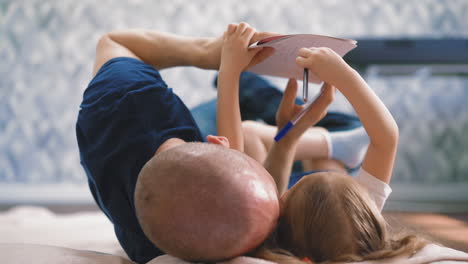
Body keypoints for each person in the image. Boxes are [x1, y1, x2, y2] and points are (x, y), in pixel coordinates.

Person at [213, 23, 430, 263]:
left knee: (250, 117)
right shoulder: (352, 234)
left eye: (291, 188)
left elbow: (233, 163)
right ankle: (334, 146)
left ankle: (334, 145)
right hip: (290, 143)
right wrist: (288, 137)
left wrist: (228, 71)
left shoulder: (256, 240)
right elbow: (386, 138)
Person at [75, 26, 282, 264]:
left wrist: (207, 55)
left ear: (215, 141)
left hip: (120, 114)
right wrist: (230, 72)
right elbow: (232, 165)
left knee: (112, 44)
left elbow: (113, 41)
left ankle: (239, 81)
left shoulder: (125, 95)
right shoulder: (167, 243)